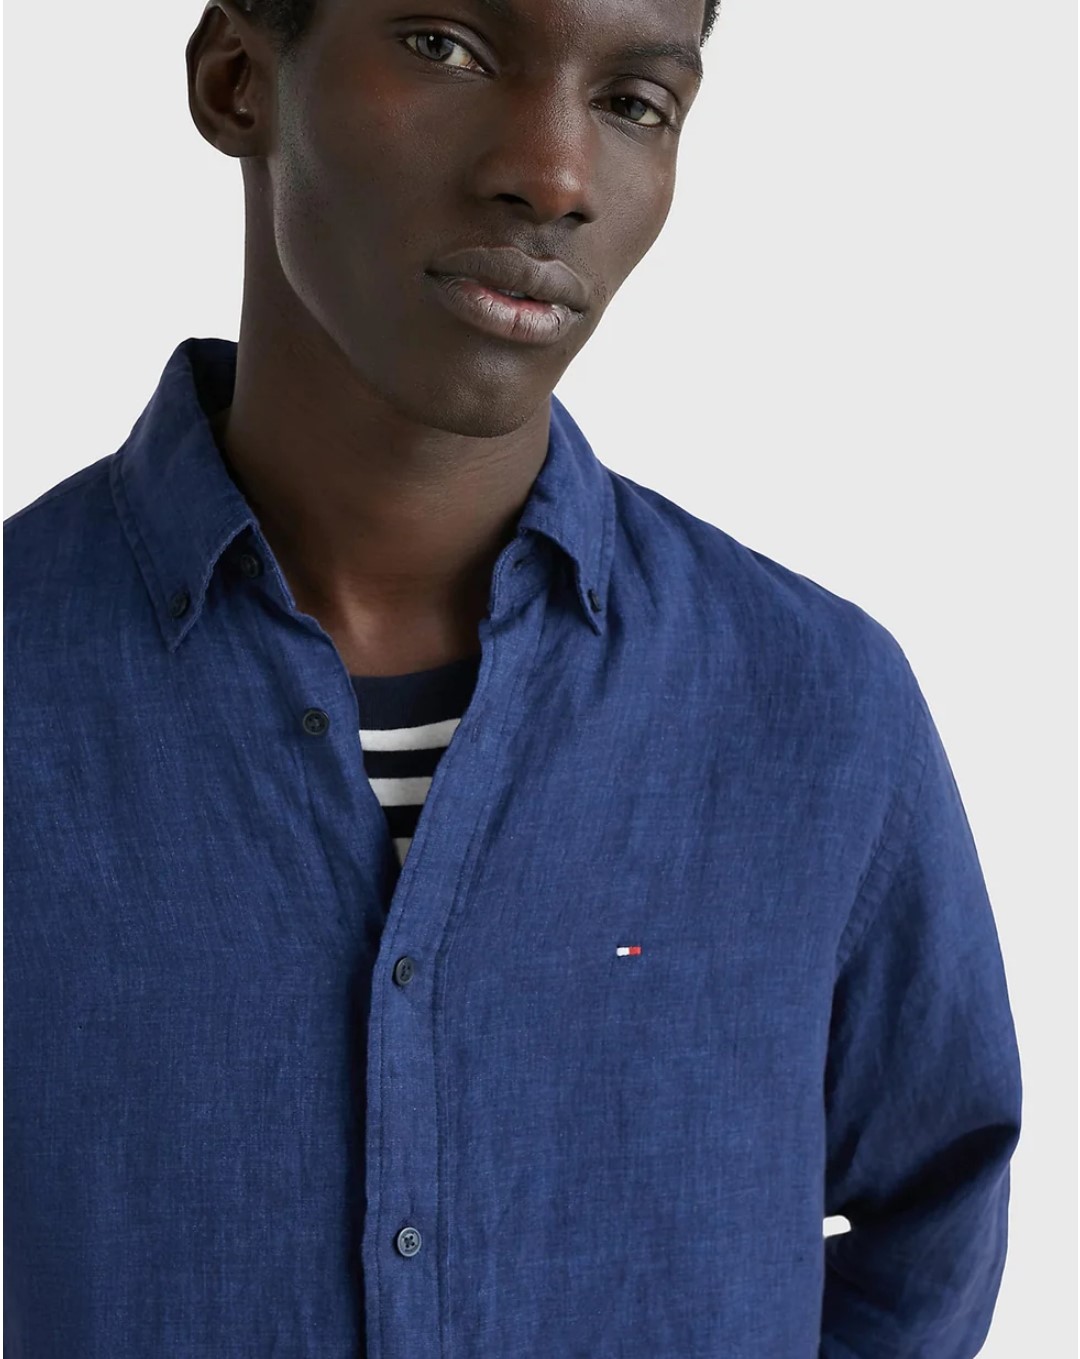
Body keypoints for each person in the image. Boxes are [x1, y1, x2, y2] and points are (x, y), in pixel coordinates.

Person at [3, 0, 1022, 1354]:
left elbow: (934, 1202)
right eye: (446, 46)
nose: (553, 176)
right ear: (240, 79)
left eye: (636, 103)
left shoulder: (818, 708)